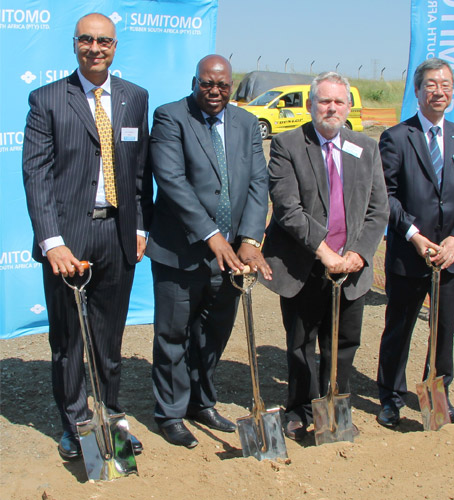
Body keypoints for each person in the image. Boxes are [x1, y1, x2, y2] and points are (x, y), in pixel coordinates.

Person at [22, 13, 149, 459]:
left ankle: (112, 418)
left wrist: (138, 226)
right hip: (69, 241)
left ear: (116, 47)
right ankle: (76, 423)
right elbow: (36, 176)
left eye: (104, 41)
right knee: (68, 343)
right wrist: (51, 242)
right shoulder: (48, 99)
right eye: (87, 40)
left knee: (109, 341)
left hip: (117, 237)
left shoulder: (135, 98)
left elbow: (138, 171)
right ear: (75, 44)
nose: (96, 48)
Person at [146, 54, 271, 448]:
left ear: (231, 85)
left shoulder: (247, 123)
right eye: (206, 84)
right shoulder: (170, 117)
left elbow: (257, 182)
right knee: (173, 334)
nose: (214, 92)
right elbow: (171, 180)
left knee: (213, 334)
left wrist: (249, 239)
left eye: (222, 85)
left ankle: (202, 401)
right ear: (194, 81)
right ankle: (170, 411)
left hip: (231, 256)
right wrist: (210, 234)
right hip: (180, 250)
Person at [261, 72, 389, 441]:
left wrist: (358, 255)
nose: (331, 108)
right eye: (323, 101)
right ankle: (300, 408)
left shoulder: (366, 147)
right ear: (309, 105)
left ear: (348, 106)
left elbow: (378, 210)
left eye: (338, 102)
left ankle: (335, 405)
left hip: (350, 267)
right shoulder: (287, 144)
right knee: (301, 343)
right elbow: (288, 209)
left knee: (343, 342)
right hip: (305, 264)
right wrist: (326, 253)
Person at [376, 58, 454, 428]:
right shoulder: (396, 138)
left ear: (453, 92)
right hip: (410, 253)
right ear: (418, 91)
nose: (439, 91)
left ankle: (438, 397)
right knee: (399, 327)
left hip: (450, 256)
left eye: (446, 85)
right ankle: (390, 397)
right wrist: (414, 236)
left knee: (443, 330)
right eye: (431, 85)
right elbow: (386, 195)